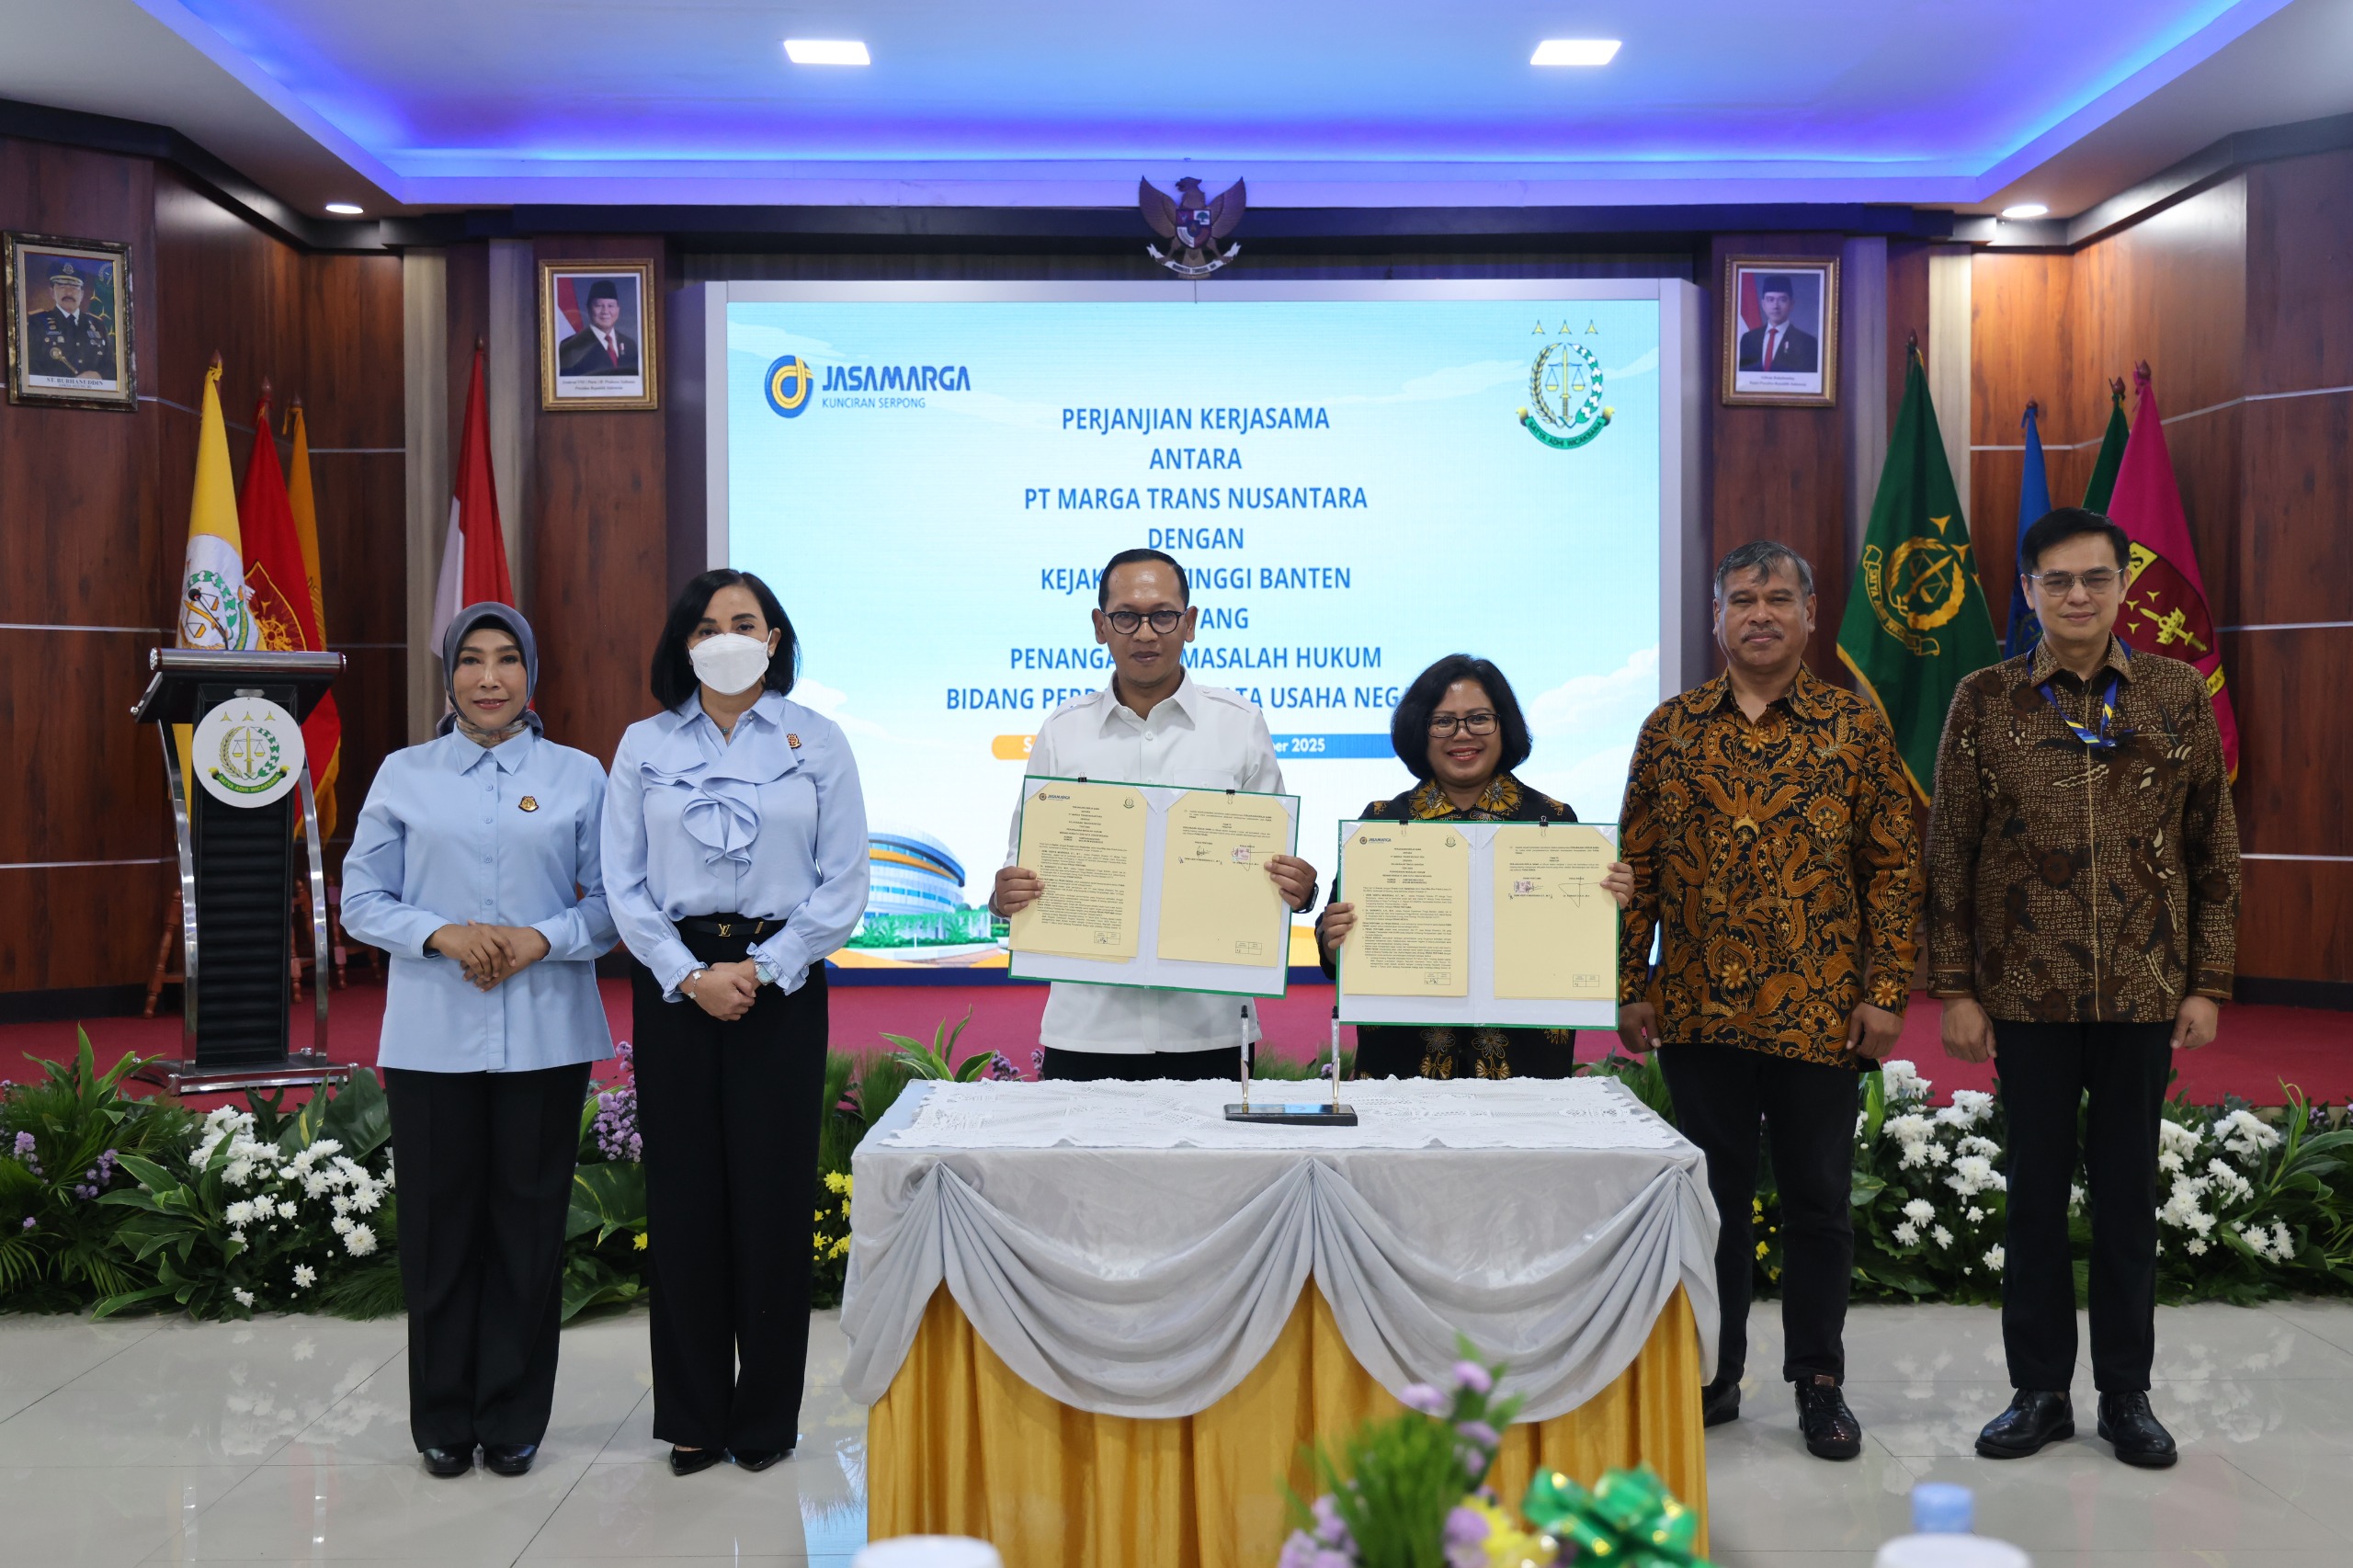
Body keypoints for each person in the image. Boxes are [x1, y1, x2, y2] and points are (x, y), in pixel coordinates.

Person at [1930, 507, 2240, 1471]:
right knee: (2032, 1196)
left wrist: (2208, 981)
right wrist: (1954, 987)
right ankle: (2038, 1391)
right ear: (2027, 591)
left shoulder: (2175, 693)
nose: (2077, 596)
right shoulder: (1985, 698)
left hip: (2144, 989)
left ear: (2121, 585)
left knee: (2126, 1197)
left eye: (2095, 578)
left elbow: (2213, 849)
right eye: (2057, 580)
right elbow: (1950, 850)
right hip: (2024, 993)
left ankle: (2126, 1393)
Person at [1617, 540, 1920, 1460]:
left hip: (1821, 1011)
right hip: (1698, 1008)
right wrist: (1631, 983)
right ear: (1715, 616)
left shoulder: (1852, 726)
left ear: (1810, 613)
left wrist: (1884, 989)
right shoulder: (1670, 729)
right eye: (1741, 598)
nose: (1759, 613)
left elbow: (1893, 866)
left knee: (1818, 1201)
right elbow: (1637, 868)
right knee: (1711, 1202)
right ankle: (1715, 1373)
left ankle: (1818, 1381)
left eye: (1778, 598)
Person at [341, 602, 619, 1480]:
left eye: (507, 659)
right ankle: (441, 1420)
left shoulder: (578, 775)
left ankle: (513, 1418)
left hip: (546, 1034)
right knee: (438, 1230)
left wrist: (540, 939)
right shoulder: (404, 774)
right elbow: (360, 900)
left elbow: (616, 903)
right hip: (432, 1037)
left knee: (528, 1233)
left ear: (531, 675)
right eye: (471, 660)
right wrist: (443, 934)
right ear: (450, 676)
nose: (489, 677)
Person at [602, 568, 868, 1476]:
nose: (726, 637)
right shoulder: (643, 744)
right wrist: (686, 975)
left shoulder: (816, 738)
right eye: (707, 625)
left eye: (744, 623)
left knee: (773, 1199)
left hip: (779, 984)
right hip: (674, 984)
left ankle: (764, 1417)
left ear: (773, 639)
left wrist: (766, 968)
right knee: (682, 1201)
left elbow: (844, 882)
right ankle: (691, 1413)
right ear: (684, 644)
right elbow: (622, 882)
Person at [992, 547, 1318, 1080]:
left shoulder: (1239, 725)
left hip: (1210, 1028)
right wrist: (1005, 894)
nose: (1145, 633)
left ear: (1190, 624)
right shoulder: (1061, 732)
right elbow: (1019, 865)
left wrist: (1297, 887)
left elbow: (1273, 865)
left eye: (1163, 615)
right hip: (1086, 1028)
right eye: (1126, 616)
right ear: (1100, 626)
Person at [1315, 653, 1633, 1078]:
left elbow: (1581, 948)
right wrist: (1332, 938)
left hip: (1526, 1068)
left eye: (1479, 719)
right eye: (1443, 721)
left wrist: (1610, 907)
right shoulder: (1381, 824)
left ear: (1505, 726)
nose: (1462, 734)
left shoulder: (1554, 820)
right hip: (1401, 1068)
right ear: (1419, 731)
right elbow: (1333, 951)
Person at [24, 261, 115, 381]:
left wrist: (99, 375)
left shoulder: (98, 325)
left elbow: (111, 366)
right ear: (52, 292)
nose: (69, 292)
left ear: (82, 294)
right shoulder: (37, 322)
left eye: (75, 287)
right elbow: (29, 366)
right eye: (62, 286)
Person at [1736, 274, 1818, 374]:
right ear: (1763, 304)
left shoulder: (1807, 343)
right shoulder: (1748, 339)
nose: (1775, 306)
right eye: (1770, 299)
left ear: (1791, 304)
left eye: (1782, 300)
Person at [559, 279, 639, 376]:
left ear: (618, 309)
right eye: (599, 306)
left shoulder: (630, 345)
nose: (605, 311)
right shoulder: (571, 346)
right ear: (588, 309)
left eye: (611, 306)